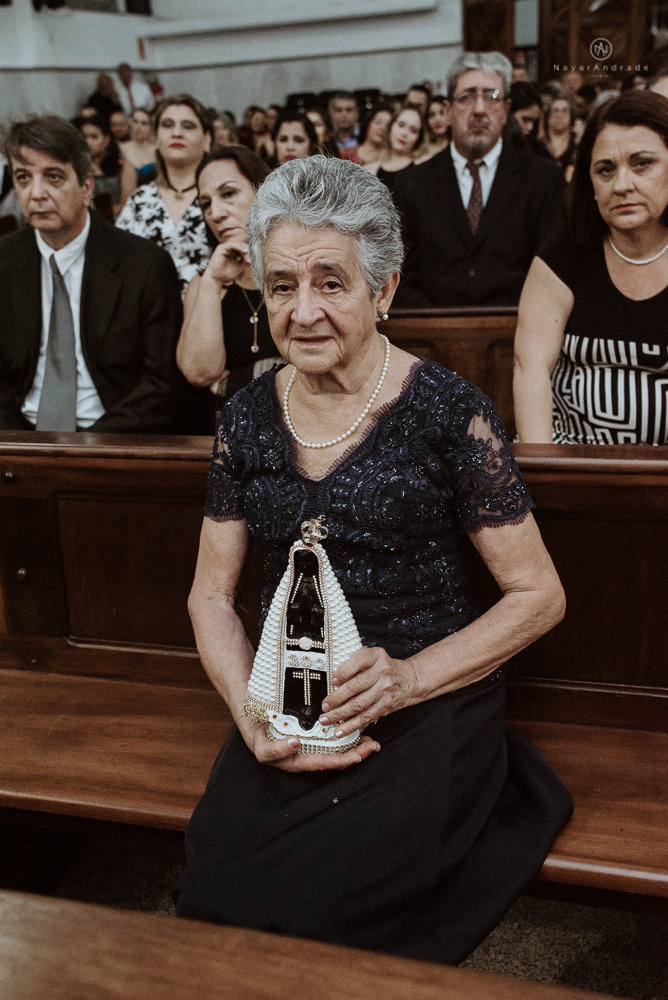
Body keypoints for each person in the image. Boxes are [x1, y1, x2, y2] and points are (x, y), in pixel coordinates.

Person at [172, 156, 573, 961]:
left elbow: (539, 595)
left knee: (331, 914)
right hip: (292, 693)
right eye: (282, 286)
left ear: (383, 289)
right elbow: (210, 597)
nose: (304, 311)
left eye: (332, 282)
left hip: (428, 700)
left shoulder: (449, 412)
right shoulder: (245, 419)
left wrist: (408, 679)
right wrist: (251, 715)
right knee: (214, 897)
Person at [0, 115, 187, 433]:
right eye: (23, 178)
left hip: (114, 438)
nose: (36, 193)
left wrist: (87, 446)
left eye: (53, 177)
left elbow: (162, 385)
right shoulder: (6, 260)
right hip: (20, 438)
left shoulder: (144, 265)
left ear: (87, 187)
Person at [514, 91, 668, 446]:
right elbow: (531, 369)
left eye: (642, 164)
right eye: (605, 170)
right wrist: (545, 470)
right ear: (590, 183)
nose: (622, 185)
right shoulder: (564, 253)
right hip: (576, 462)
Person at [392, 51, 564, 308]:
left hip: (518, 324)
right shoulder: (411, 185)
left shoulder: (543, 179)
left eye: (492, 97)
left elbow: (553, 270)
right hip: (432, 326)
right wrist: (441, 326)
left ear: (506, 110)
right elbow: (400, 277)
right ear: (447, 110)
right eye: (467, 97)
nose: (480, 109)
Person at [176, 146, 276, 424]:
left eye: (228, 193)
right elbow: (199, 373)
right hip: (224, 433)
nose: (215, 213)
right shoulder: (204, 282)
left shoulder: (299, 272)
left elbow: (317, 370)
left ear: (263, 192)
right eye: (206, 203)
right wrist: (213, 280)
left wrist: (236, 382)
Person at [115, 94, 212, 294]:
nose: (177, 133)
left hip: (211, 306)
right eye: (167, 125)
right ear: (156, 139)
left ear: (206, 139)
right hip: (148, 308)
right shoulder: (140, 200)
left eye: (188, 126)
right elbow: (118, 263)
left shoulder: (222, 197)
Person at [75, 115, 135, 216]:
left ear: (106, 139)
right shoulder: (78, 167)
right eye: (84, 137)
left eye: (94, 137)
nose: (88, 142)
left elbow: (127, 203)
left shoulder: (122, 165)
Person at [363, 106, 424, 194]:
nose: (404, 133)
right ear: (390, 127)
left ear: (419, 138)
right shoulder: (369, 171)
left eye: (413, 130)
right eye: (401, 125)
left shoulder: (421, 172)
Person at [121, 107, 156, 186]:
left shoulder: (156, 150)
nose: (138, 127)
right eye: (135, 121)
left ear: (151, 128)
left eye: (144, 123)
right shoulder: (122, 148)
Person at [544, 97, 577, 175]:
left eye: (564, 111)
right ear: (547, 117)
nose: (559, 115)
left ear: (571, 117)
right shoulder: (537, 147)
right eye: (555, 111)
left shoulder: (577, 149)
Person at [416, 95, 450, 164]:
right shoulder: (422, 150)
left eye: (442, 113)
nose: (437, 119)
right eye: (432, 115)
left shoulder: (459, 147)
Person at [328, 92, 360, 159]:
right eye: (338, 110)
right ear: (331, 113)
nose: (344, 115)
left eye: (349, 110)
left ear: (357, 113)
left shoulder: (366, 136)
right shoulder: (326, 137)